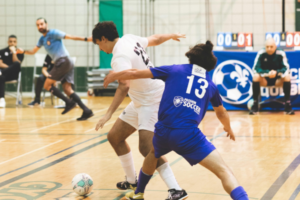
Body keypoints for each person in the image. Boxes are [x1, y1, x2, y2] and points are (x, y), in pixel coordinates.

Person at [103, 41, 249, 200]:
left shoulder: (175, 69)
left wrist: (116, 74)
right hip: (188, 135)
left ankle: (139, 192)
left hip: (163, 131)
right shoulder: (210, 85)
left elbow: (136, 73)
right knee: (224, 171)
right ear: (209, 65)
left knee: (153, 154)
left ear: (191, 58)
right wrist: (227, 127)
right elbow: (221, 113)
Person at [93, 21, 188, 199]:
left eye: (98, 43)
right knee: (114, 137)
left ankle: (176, 190)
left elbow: (123, 85)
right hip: (140, 99)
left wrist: (108, 115)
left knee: (147, 148)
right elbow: (156, 39)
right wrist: (171, 35)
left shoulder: (118, 56)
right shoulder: (129, 38)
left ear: (104, 39)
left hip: (151, 100)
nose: (99, 48)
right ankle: (131, 180)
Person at [17, 17, 93, 120]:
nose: (40, 26)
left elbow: (70, 36)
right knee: (67, 89)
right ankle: (86, 110)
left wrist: (86, 39)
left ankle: (68, 102)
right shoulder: (42, 39)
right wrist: (23, 51)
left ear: (46, 24)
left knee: (47, 85)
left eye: (42, 24)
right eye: (38, 25)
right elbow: (33, 51)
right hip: (66, 62)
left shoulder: (53, 33)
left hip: (63, 61)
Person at [250, 38, 294, 115]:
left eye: (271, 46)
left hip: (277, 80)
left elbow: (286, 68)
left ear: (275, 46)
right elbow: (255, 68)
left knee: (287, 76)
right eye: (267, 47)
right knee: (256, 76)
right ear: (265, 47)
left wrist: (276, 72)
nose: (269, 48)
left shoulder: (281, 53)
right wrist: (268, 73)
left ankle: (287, 105)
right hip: (265, 80)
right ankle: (255, 105)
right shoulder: (261, 53)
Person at [0, 35, 24, 108]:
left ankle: (1, 72)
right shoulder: (2, 51)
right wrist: (10, 68)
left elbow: (16, 63)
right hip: (4, 75)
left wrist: (14, 52)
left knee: (16, 64)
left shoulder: (20, 52)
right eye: (10, 41)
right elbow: (0, 64)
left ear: (16, 43)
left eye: (14, 42)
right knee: (1, 77)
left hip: (14, 75)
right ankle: (2, 99)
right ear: (8, 42)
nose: (12, 43)